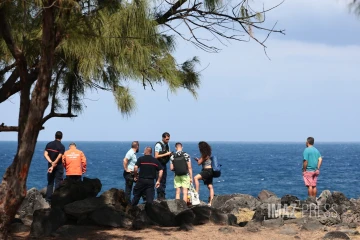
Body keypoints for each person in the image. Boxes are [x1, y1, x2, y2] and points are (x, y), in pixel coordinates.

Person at [44, 131, 65, 203]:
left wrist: (51, 162)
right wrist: (54, 163)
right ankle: (56, 199)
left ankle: (48, 200)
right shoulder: (62, 147)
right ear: (61, 137)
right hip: (58, 166)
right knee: (58, 182)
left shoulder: (49, 144)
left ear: (55, 136)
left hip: (50, 166)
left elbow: (45, 154)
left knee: (50, 182)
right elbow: (59, 156)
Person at [194, 141, 214, 206]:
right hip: (211, 171)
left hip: (206, 171)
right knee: (210, 186)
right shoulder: (208, 154)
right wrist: (199, 160)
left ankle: (196, 194)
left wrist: (198, 160)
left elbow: (199, 163)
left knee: (195, 178)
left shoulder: (204, 155)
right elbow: (202, 161)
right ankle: (211, 202)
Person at [154, 132, 171, 200]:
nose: (168, 140)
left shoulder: (167, 145)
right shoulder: (158, 145)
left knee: (164, 180)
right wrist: (166, 154)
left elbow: (168, 153)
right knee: (159, 179)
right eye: (166, 139)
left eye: (168, 139)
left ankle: (163, 195)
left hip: (164, 164)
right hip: (158, 164)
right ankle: (159, 196)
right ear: (163, 138)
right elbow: (156, 156)